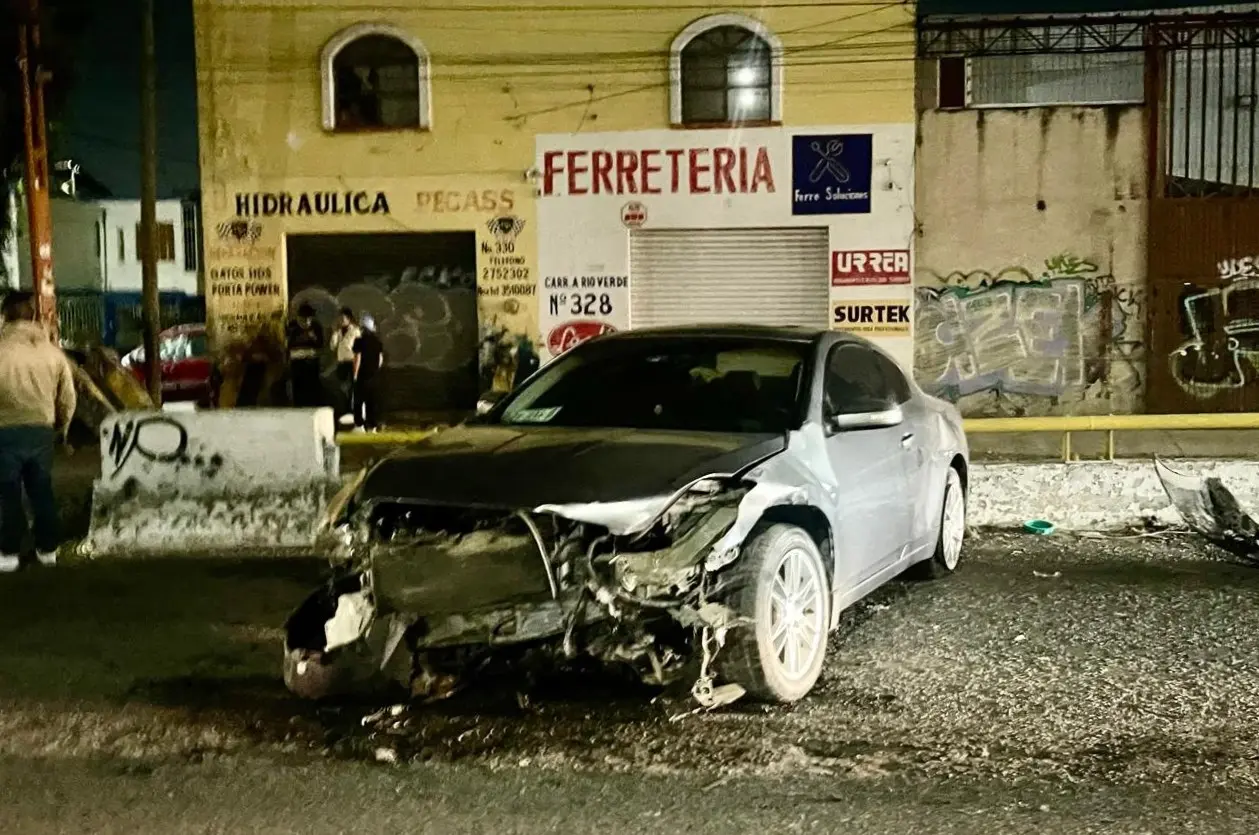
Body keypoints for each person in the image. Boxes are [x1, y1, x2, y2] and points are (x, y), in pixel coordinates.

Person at [0, 291, 76, 573]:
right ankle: (47, 551)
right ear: (33, 316)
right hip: (41, 430)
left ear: (5, 316)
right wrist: (62, 428)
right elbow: (67, 397)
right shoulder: (52, 353)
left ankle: (8, 554)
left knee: (7, 494)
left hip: (4, 430)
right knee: (41, 491)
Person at [286, 303, 324, 408]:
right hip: (297, 362)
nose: (306, 322)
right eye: (303, 319)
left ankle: (312, 404)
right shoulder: (292, 327)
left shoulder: (316, 327)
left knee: (312, 386)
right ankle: (299, 405)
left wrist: (313, 337)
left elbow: (320, 344)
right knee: (298, 387)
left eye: (309, 319)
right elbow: (288, 345)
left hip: (311, 362)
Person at [352, 313, 384, 432]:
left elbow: (357, 358)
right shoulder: (377, 341)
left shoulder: (359, 341)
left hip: (362, 375)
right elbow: (380, 359)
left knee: (359, 401)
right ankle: (372, 425)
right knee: (372, 401)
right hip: (374, 375)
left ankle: (359, 424)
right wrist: (375, 370)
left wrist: (355, 374)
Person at [328, 306, 360, 424]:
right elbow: (332, 346)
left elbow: (358, 350)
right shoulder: (339, 331)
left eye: (344, 318)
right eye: (340, 318)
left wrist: (356, 367)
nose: (341, 321)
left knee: (352, 387)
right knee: (341, 387)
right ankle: (343, 410)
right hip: (341, 362)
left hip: (351, 361)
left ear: (349, 319)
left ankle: (351, 411)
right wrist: (335, 333)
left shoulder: (355, 331)